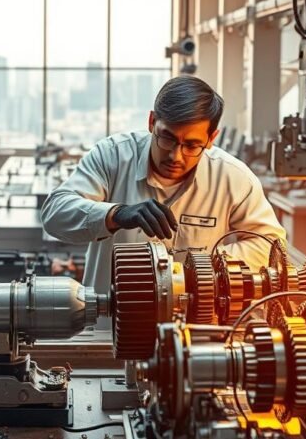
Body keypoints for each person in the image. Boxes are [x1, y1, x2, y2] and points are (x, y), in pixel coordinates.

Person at [41, 76, 286, 299]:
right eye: (167, 138)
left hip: (196, 334)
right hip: (111, 326)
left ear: (212, 139)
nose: (175, 156)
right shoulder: (113, 156)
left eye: (192, 145)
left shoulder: (234, 178)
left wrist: (203, 266)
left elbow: (270, 245)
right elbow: (55, 213)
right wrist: (115, 214)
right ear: (151, 122)